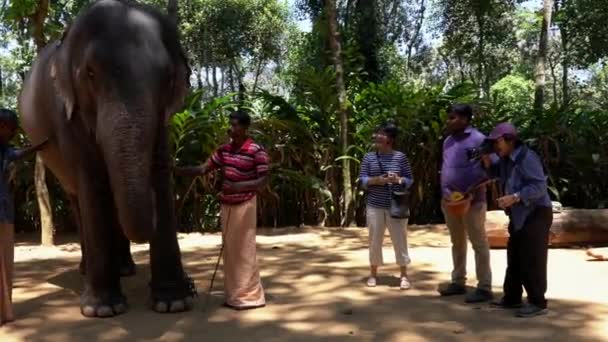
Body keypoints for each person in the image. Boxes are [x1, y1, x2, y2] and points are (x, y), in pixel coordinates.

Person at [175, 110, 268, 310]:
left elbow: (262, 181)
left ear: (245, 128)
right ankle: (234, 295)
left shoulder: (256, 150)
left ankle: (251, 297)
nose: (232, 129)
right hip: (227, 204)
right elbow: (203, 169)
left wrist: (238, 187)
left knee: (244, 249)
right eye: (231, 125)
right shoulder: (224, 150)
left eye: (236, 126)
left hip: (245, 204)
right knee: (231, 251)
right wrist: (176, 170)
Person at [481, 122, 553, 318]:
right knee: (515, 256)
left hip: (536, 213)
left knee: (532, 258)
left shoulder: (527, 158)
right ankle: (512, 297)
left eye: (498, 142)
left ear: (510, 140)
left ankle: (537, 302)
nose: (496, 146)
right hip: (519, 215)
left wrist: (515, 197)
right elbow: (496, 174)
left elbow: (539, 187)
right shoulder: (505, 159)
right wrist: (487, 163)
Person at [438, 104, 493, 303]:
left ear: (465, 119)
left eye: (452, 117)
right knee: (457, 242)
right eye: (449, 117)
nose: (449, 121)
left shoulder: (479, 139)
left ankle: (484, 287)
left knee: (479, 243)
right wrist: (446, 192)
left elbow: (492, 169)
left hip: (473, 201)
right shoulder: (448, 141)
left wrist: (471, 190)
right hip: (450, 202)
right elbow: (446, 168)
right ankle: (458, 281)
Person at [0, 108, 48, 325]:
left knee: (6, 263)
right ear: (2, 127)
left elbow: (18, 154)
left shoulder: (6, 150)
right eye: (11, 128)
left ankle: (5, 311)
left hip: (5, 214)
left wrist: (41, 145)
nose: (14, 132)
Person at [359, 121, 414, 290]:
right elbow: (362, 180)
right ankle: (373, 273)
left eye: (381, 134)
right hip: (375, 206)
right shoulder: (369, 157)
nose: (377, 137)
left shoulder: (400, 157)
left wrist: (398, 179)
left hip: (396, 206)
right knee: (374, 240)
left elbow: (409, 180)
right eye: (377, 134)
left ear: (390, 139)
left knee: (400, 240)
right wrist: (378, 180)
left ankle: (404, 275)